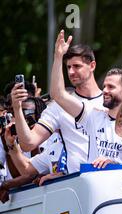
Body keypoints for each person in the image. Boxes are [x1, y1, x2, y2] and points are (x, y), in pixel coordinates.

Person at [11, 29, 103, 174]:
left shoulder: (111, 103)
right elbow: (28, 143)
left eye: (77, 66)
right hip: (76, 185)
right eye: (68, 67)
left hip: (109, 181)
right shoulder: (59, 106)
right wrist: (17, 108)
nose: (71, 72)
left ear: (92, 66)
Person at [50, 30, 122, 168]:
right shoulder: (93, 116)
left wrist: (114, 164)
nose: (105, 91)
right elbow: (58, 95)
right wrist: (58, 56)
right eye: (105, 86)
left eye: (111, 87)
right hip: (94, 185)